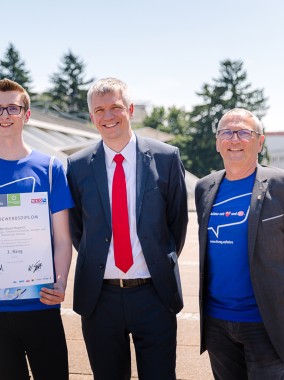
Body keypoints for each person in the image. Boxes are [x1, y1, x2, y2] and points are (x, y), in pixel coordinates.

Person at [67, 77, 188, 380]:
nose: (108, 117)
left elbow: (177, 223)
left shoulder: (166, 157)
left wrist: (158, 260)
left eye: (115, 107)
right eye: (99, 110)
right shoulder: (77, 165)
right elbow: (77, 229)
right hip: (100, 297)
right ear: (91, 116)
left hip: (154, 294)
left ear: (130, 109)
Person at [0, 79, 74, 380]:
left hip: (40, 300)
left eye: (13, 107)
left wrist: (60, 283)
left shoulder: (50, 168)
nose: (5, 114)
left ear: (27, 114)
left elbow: (62, 238)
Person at [195, 108, 284, 379]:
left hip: (266, 322)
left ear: (260, 142)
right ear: (217, 142)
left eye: (244, 132)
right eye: (227, 132)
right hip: (217, 324)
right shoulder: (204, 187)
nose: (235, 139)